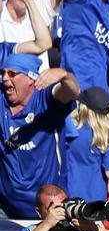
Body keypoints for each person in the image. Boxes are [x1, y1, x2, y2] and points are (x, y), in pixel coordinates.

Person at [0, 54, 80, 218]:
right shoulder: (2, 101)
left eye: (12, 73)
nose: (5, 78)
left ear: (30, 79)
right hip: (5, 209)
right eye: (3, 73)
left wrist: (64, 75)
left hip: (46, 209)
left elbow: (72, 92)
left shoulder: (46, 100)